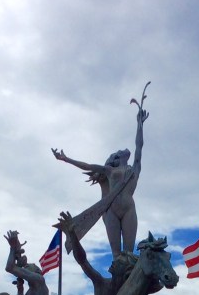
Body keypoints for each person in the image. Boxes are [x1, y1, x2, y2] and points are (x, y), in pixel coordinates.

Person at [52, 86, 149, 256]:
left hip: (128, 209)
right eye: (118, 151)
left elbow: (139, 146)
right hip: (110, 210)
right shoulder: (110, 171)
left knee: (128, 253)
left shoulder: (134, 169)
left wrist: (139, 124)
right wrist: (66, 159)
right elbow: (89, 166)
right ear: (117, 157)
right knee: (116, 256)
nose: (122, 150)